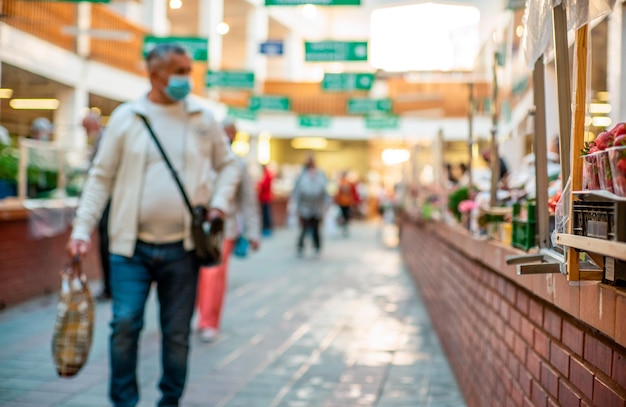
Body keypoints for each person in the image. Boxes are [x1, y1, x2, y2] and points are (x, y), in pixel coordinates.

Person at [66, 43, 240, 407]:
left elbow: (229, 166)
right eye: (178, 71)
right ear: (154, 75)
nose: (185, 78)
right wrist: (82, 230)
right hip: (131, 248)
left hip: (184, 249)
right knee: (125, 325)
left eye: (188, 70)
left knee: (176, 334)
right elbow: (101, 178)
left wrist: (220, 205)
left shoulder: (202, 118)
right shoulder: (129, 118)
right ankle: (124, 401)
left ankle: (169, 402)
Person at [196, 119, 260, 343]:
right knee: (197, 274)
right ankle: (199, 312)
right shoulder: (202, 159)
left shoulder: (238, 164)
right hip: (197, 226)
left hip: (225, 227)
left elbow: (248, 201)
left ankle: (208, 321)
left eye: (230, 133)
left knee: (214, 274)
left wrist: (253, 232)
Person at [81, 110, 112, 301]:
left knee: (108, 243)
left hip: (110, 201)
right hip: (104, 201)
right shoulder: (99, 139)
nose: (85, 132)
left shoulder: (107, 138)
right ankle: (110, 286)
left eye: (86, 127)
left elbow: (100, 176)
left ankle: (111, 287)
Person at [291, 154, 329, 256]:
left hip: (316, 208)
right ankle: (300, 246)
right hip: (305, 208)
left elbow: (325, 193)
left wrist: (325, 206)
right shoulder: (302, 177)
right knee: (304, 228)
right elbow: (297, 193)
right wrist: (297, 207)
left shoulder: (320, 176)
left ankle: (317, 246)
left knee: (316, 228)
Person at [334, 171, 360, 236]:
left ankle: (345, 226)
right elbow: (338, 193)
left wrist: (354, 201)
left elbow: (353, 193)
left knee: (346, 215)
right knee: (343, 215)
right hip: (342, 202)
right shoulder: (341, 184)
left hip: (348, 202)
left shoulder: (349, 184)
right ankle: (344, 226)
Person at [257, 164, 273, 236]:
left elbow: (264, 185)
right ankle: (266, 228)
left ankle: (267, 228)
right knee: (265, 214)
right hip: (264, 198)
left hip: (265, 198)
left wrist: (258, 184)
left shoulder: (267, 175)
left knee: (266, 215)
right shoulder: (266, 174)